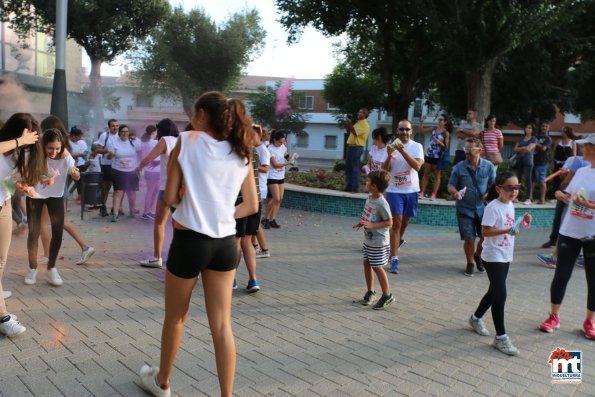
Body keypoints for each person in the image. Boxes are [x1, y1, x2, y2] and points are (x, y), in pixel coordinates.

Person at [138, 91, 258, 397]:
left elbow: (170, 197)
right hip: (225, 244)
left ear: (203, 114)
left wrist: (187, 207)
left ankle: (162, 382)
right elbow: (252, 205)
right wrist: (221, 213)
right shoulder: (242, 151)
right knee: (222, 326)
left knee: (176, 317)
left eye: (194, 112)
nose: (191, 117)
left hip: (190, 241)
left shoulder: (187, 141)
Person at [468, 171, 532, 355]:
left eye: (517, 187)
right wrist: (506, 230)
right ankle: (501, 338)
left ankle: (475, 318)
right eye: (509, 188)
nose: (514, 191)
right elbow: (485, 232)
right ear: (499, 188)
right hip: (493, 255)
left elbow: (512, 228)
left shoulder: (510, 205)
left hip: (506, 254)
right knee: (500, 294)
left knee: (494, 290)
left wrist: (524, 223)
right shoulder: (492, 207)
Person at [538, 134, 595, 339]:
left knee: (593, 279)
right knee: (561, 275)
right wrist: (562, 195)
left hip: (592, 235)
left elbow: (587, 203)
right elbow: (570, 195)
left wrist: (589, 206)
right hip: (570, 231)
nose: (581, 150)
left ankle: (590, 321)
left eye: (585, 147)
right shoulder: (580, 171)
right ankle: (554, 316)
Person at [24, 128, 80, 286]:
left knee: (57, 230)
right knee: (34, 233)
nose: (54, 151)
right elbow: (22, 173)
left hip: (55, 196)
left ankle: (52, 267)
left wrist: (76, 174)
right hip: (34, 195)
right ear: (43, 145)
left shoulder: (65, 156)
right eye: (50, 148)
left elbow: (74, 171)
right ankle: (32, 267)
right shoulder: (34, 154)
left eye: (57, 148)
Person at [0, 113, 39, 337]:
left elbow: (4, 180)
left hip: (4, 207)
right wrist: (20, 142)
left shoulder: (16, 153)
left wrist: (19, 186)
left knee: (1, 262)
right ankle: (3, 316)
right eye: (27, 135)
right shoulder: (10, 144)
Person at [447, 138, 496, 277]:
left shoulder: (489, 166)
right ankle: (470, 262)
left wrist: (488, 194)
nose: (466, 153)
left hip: (483, 208)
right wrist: (455, 192)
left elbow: (494, 185)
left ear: (479, 151)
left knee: (485, 236)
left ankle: (478, 255)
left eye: (470, 150)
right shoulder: (459, 167)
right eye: (465, 150)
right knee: (469, 238)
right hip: (464, 208)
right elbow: (450, 185)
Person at [382, 119, 424, 274]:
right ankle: (394, 260)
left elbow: (417, 166)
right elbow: (384, 170)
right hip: (394, 190)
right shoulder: (391, 146)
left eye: (407, 129)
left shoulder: (416, 146)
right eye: (401, 129)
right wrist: (388, 155)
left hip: (411, 190)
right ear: (397, 131)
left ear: (411, 131)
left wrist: (402, 151)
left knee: (404, 223)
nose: (404, 132)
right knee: (396, 223)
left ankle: (397, 241)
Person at [136, 119, 179, 268]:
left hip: (166, 188)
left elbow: (148, 158)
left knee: (160, 223)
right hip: (180, 188)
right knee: (178, 225)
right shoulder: (180, 140)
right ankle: (176, 257)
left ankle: (157, 257)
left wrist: (139, 167)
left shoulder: (164, 140)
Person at [353, 170, 395, 310]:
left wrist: (372, 225)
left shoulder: (382, 203)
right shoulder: (370, 198)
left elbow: (390, 222)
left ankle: (387, 295)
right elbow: (368, 215)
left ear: (375, 186)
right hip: (368, 239)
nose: (366, 183)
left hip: (379, 241)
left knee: (377, 266)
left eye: (368, 182)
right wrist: (362, 222)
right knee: (367, 262)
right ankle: (371, 292)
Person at [234, 126, 265, 292]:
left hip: (239, 201)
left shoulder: (234, 153)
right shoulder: (255, 152)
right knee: (248, 241)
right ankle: (253, 279)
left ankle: (231, 279)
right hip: (256, 201)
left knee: (237, 241)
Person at [106, 124, 142, 222]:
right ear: (119, 133)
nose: (125, 133)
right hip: (118, 170)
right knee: (118, 192)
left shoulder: (135, 142)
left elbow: (140, 154)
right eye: (122, 131)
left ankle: (132, 210)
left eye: (126, 131)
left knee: (132, 192)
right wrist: (110, 155)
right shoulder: (114, 143)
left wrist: (140, 166)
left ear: (129, 132)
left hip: (132, 170)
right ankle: (115, 214)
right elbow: (108, 157)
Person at [262, 130, 293, 229]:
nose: (282, 144)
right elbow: (275, 165)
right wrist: (287, 164)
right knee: (276, 198)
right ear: (274, 140)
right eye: (280, 142)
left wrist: (292, 159)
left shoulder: (282, 147)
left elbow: (286, 156)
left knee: (280, 200)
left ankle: (272, 219)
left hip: (281, 176)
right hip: (272, 176)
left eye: (283, 142)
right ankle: (265, 219)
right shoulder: (270, 149)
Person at [419, 114, 450, 200]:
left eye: (441, 120)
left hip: (438, 156)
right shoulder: (433, 129)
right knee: (426, 173)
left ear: (445, 122)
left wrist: (439, 142)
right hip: (429, 154)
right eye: (439, 119)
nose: (439, 121)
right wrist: (421, 122)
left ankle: (433, 194)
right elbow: (422, 130)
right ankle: (422, 192)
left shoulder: (445, 133)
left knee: (437, 175)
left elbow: (446, 147)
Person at [251, 125, 270, 259]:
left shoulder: (263, 150)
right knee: (252, 222)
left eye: (252, 135)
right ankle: (255, 247)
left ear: (259, 135)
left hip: (260, 189)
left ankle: (264, 249)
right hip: (253, 187)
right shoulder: (253, 149)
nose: (250, 137)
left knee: (255, 222)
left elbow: (265, 169)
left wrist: (251, 164)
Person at [94, 119, 119, 217]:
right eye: (113, 126)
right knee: (106, 187)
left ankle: (116, 208)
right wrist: (108, 150)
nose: (115, 128)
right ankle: (102, 208)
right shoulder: (105, 136)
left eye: (117, 126)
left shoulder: (121, 136)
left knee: (118, 188)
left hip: (118, 165)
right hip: (106, 164)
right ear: (109, 127)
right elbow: (97, 149)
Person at [344, 109, 370, 192]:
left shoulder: (365, 124)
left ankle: (355, 188)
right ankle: (348, 187)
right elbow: (349, 131)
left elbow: (355, 133)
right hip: (350, 147)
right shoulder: (358, 123)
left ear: (365, 114)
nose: (358, 113)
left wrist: (350, 124)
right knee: (348, 168)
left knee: (355, 168)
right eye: (358, 112)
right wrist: (347, 123)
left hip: (356, 148)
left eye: (360, 112)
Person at [513, 123, 537, 205]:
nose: (528, 129)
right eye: (527, 127)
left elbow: (528, 149)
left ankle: (528, 198)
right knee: (517, 179)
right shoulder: (521, 139)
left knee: (528, 179)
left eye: (530, 128)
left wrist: (522, 148)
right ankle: (515, 197)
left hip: (528, 161)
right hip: (519, 160)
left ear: (533, 130)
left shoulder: (534, 139)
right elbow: (515, 149)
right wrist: (523, 148)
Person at [140, 125, 159, 220]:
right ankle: (147, 211)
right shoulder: (154, 142)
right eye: (156, 132)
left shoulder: (145, 142)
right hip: (153, 170)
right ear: (153, 133)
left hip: (150, 170)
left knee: (153, 191)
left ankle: (150, 210)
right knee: (151, 191)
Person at [532, 121, 552, 204]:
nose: (544, 128)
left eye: (546, 126)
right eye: (543, 126)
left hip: (542, 162)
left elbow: (544, 149)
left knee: (542, 180)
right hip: (532, 160)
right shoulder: (535, 137)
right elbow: (531, 145)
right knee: (532, 180)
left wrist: (536, 145)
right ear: (540, 127)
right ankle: (530, 197)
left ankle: (542, 198)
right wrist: (537, 146)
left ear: (548, 128)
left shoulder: (548, 139)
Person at [551, 126, 577, 193]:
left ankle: (565, 193)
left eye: (563, 131)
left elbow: (574, 155)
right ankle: (555, 194)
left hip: (567, 165)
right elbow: (553, 153)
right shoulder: (558, 141)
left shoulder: (572, 143)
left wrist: (572, 166)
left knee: (565, 179)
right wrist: (552, 162)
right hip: (557, 163)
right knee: (556, 179)